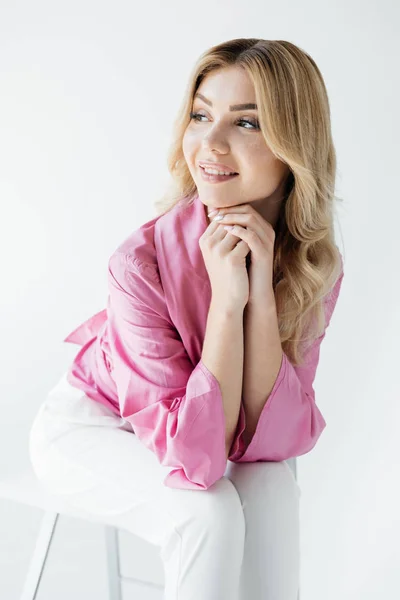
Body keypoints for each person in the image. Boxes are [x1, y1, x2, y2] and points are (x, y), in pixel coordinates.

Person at [29, 38, 345, 600]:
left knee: (271, 487)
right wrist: (228, 303)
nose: (211, 143)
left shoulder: (311, 266)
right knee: (208, 513)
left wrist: (261, 299)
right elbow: (198, 463)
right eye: (201, 115)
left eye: (247, 123)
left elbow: (270, 442)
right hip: (89, 427)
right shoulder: (140, 263)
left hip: (192, 429)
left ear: (295, 144)